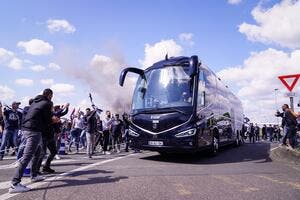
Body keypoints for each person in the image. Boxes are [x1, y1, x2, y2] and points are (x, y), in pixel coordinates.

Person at [9, 88, 59, 193]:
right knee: (27, 157)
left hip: (27, 129)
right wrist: (54, 120)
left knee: (38, 152)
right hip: (34, 131)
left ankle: (34, 175)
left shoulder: (36, 102)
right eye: (52, 95)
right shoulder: (47, 103)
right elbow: (47, 120)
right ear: (49, 95)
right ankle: (15, 183)